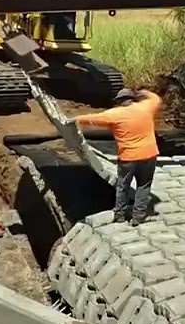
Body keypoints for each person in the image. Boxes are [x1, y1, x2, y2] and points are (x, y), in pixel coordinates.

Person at [69, 88, 163, 224]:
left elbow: (93, 119)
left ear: (119, 101)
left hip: (128, 157)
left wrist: (75, 119)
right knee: (144, 186)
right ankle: (138, 216)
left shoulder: (114, 114)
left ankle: (120, 215)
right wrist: (142, 92)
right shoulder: (146, 107)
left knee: (122, 186)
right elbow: (155, 98)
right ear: (133, 99)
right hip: (149, 154)